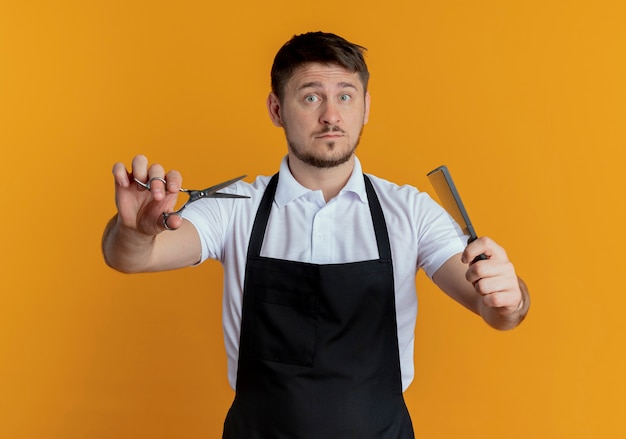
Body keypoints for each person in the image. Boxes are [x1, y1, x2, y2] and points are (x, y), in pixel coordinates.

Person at [102, 31, 530, 438]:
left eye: (345, 95)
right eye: (311, 97)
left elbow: (493, 310)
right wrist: (134, 230)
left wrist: (510, 297)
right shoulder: (236, 208)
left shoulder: (410, 211)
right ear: (276, 109)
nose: (331, 114)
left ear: (365, 107)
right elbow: (131, 257)